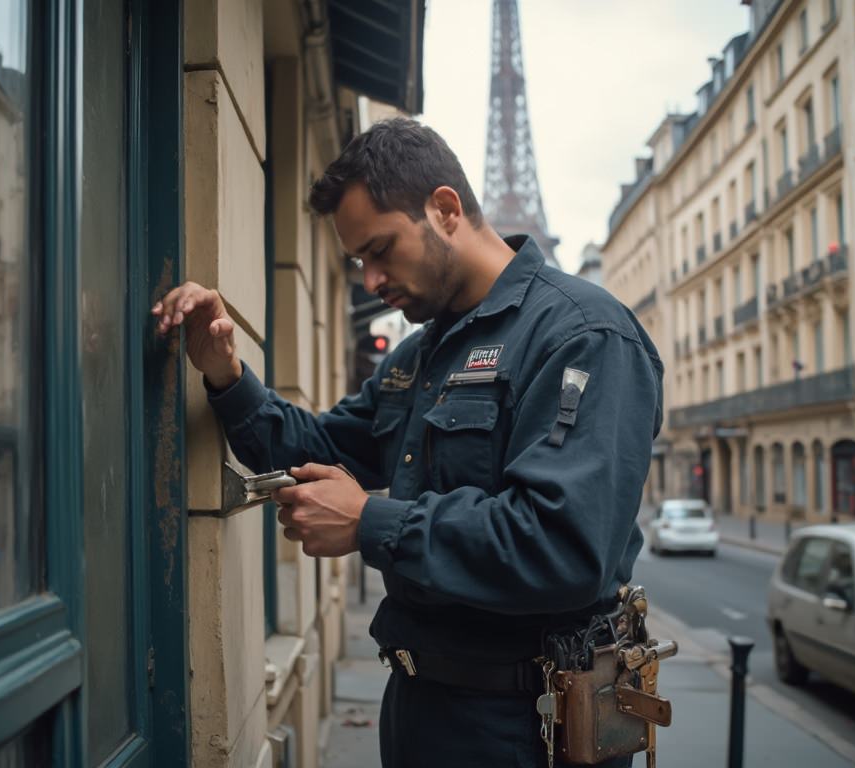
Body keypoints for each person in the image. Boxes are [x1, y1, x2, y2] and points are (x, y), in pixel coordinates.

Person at [152, 118, 663, 768]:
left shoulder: (584, 335)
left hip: (528, 727)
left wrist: (370, 521)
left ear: (445, 210)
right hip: (421, 705)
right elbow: (317, 444)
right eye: (359, 260)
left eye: (380, 249)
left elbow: (562, 545)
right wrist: (222, 369)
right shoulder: (422, 354)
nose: (370, 281)